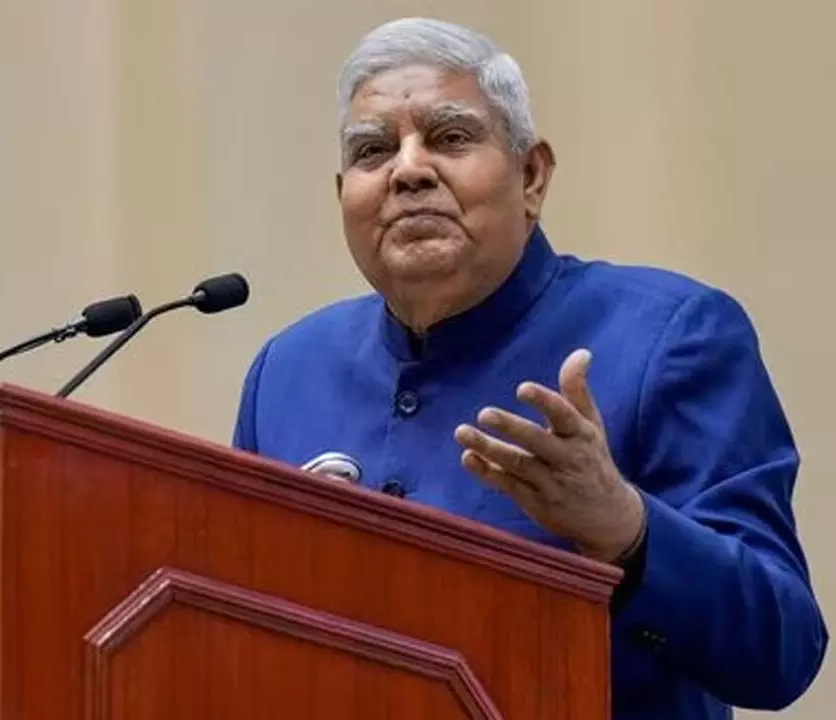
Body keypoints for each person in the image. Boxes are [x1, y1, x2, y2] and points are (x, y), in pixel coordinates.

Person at [231, 16, 828, 719]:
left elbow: (782, 652)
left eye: (451, 137)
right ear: (343, 198)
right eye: (373, 150)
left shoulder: (672, 335)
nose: (409, 168)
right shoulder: (288, 371)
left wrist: (628, 530)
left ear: (532, 175)